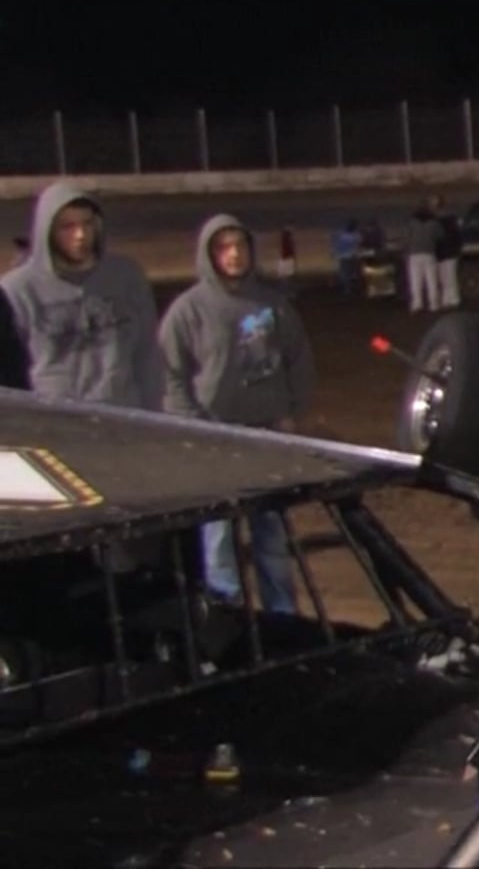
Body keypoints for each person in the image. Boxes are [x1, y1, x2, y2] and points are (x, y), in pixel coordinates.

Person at [158, 215, 318, 615]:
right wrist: (194, 425)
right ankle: (227, 623)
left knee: (272, 538)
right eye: (223, 247)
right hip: (216, 440)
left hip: (267, 437)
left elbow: (298, 359)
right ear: (209, 255)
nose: (233, 255)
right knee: (218, 543)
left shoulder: (272, 304)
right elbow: (169, 374)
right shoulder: (188, 311)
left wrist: (291, 411)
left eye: (240, 246)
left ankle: (282, 619)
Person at [1, 181, 163, 410]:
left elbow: (147, 356)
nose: (80, 235)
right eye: (67, 226)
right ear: (46, 231)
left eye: (87, 223)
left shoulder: (126, 277)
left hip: (123, 421)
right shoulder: (17, 291)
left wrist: (155, 418)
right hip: (55, 425)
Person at [403, 197, 444, 313]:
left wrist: (406, 251)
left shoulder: (411, 222)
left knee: (415, 280)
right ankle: (434, 304)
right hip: (429, 253)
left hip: (414, 254)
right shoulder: (434, 222)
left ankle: (417, 304)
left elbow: (407, 239)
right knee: (431, 280)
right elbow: (440, 236)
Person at [431, 195, 463, 309]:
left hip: (443, 253)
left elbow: (437, 238)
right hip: (451, 252)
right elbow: (458, 236)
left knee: (445, 278)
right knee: (450, 277)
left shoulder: (437, 221)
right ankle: (451, 299)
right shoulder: (452, 219)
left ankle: (450, 299)